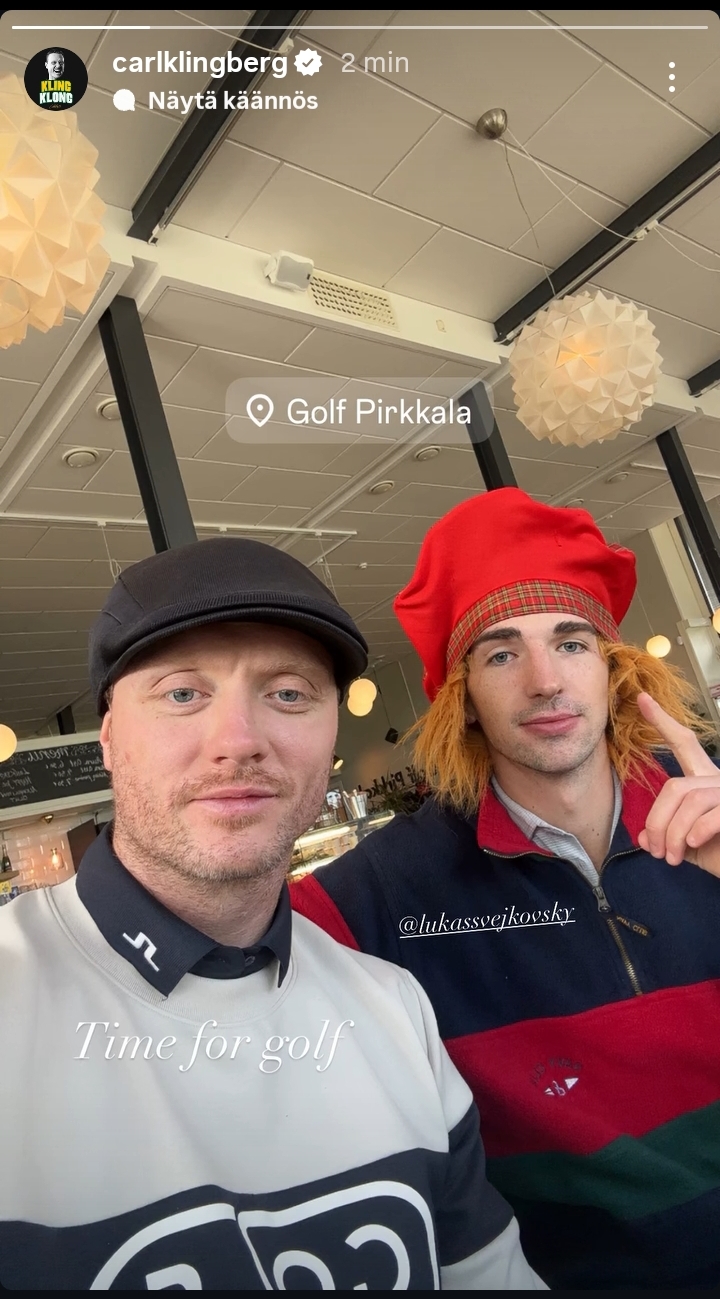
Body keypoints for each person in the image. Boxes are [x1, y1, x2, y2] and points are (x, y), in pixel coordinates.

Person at [0, 537, 545, 1291]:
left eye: (288, 693)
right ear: (109, 738)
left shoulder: (393, 1007)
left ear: (330, 733)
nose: (238, 742)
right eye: (182, 694)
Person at [292, 487, 720, 1291]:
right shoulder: (387, 889)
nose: (544, 680)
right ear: (464, 701)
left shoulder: (711, 803)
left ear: (612, 669)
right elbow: (218, 970)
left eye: (571, 641)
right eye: (499, 653)